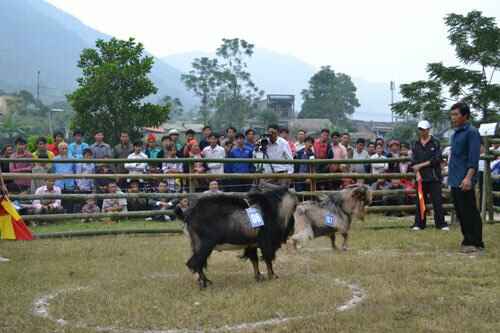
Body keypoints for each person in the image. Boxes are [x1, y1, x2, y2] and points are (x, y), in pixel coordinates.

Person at [448, 102, 484, 253]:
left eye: (456, 114)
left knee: (469, 210)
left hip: (465, 178)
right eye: (452, 114)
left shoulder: (472, 132)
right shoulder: (455, 133)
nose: (453, 117)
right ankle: (467, 239)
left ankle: (475, 241)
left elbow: (473, 158)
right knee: (461, 211)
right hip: (454, 178)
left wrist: (468, 178)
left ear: (465, 116)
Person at [410, 120, 447, 231]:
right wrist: (417, 173)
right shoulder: (415, 143)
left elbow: (437, 159)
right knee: (420, 201)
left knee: (437, 202)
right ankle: (419, 224)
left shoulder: (435, 142)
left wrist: (420, 166)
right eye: (420, 129)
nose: (422, 131)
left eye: (424, 129)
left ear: (428, 129)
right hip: (420, 178)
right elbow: (413, 161)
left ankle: (441, 224)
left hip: (434, 177)